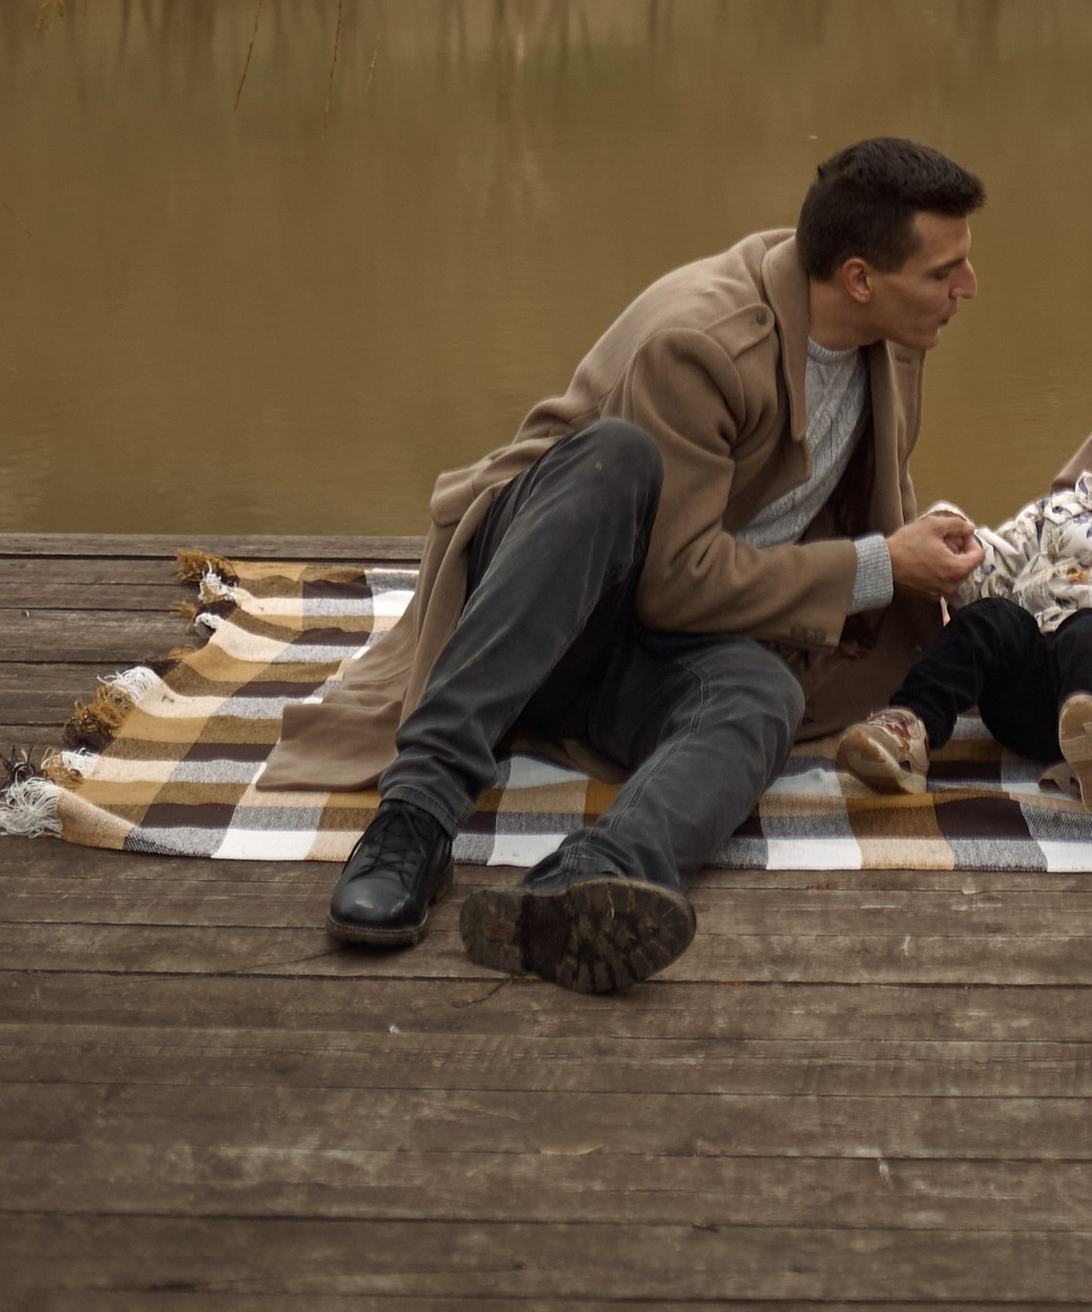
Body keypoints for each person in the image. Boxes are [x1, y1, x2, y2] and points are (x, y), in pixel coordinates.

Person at [282, 136, 987, 996]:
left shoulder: (895, 333)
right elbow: (676, 576)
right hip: (543, 599)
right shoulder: (699, 343)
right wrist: (880, 566)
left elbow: (841, 506)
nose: (967, 288)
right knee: (612, 459)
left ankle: (592, 881)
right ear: (859, 277)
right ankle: (415, 817)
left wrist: (937, 559)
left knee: (764, 695)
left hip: (661, 640)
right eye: (944, 270)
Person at [835, 361, 1092, 813]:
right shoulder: (1059, 511)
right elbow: (998, 571)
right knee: (991, 619)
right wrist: (959, 544)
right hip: (1030, 700)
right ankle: (908, 730)